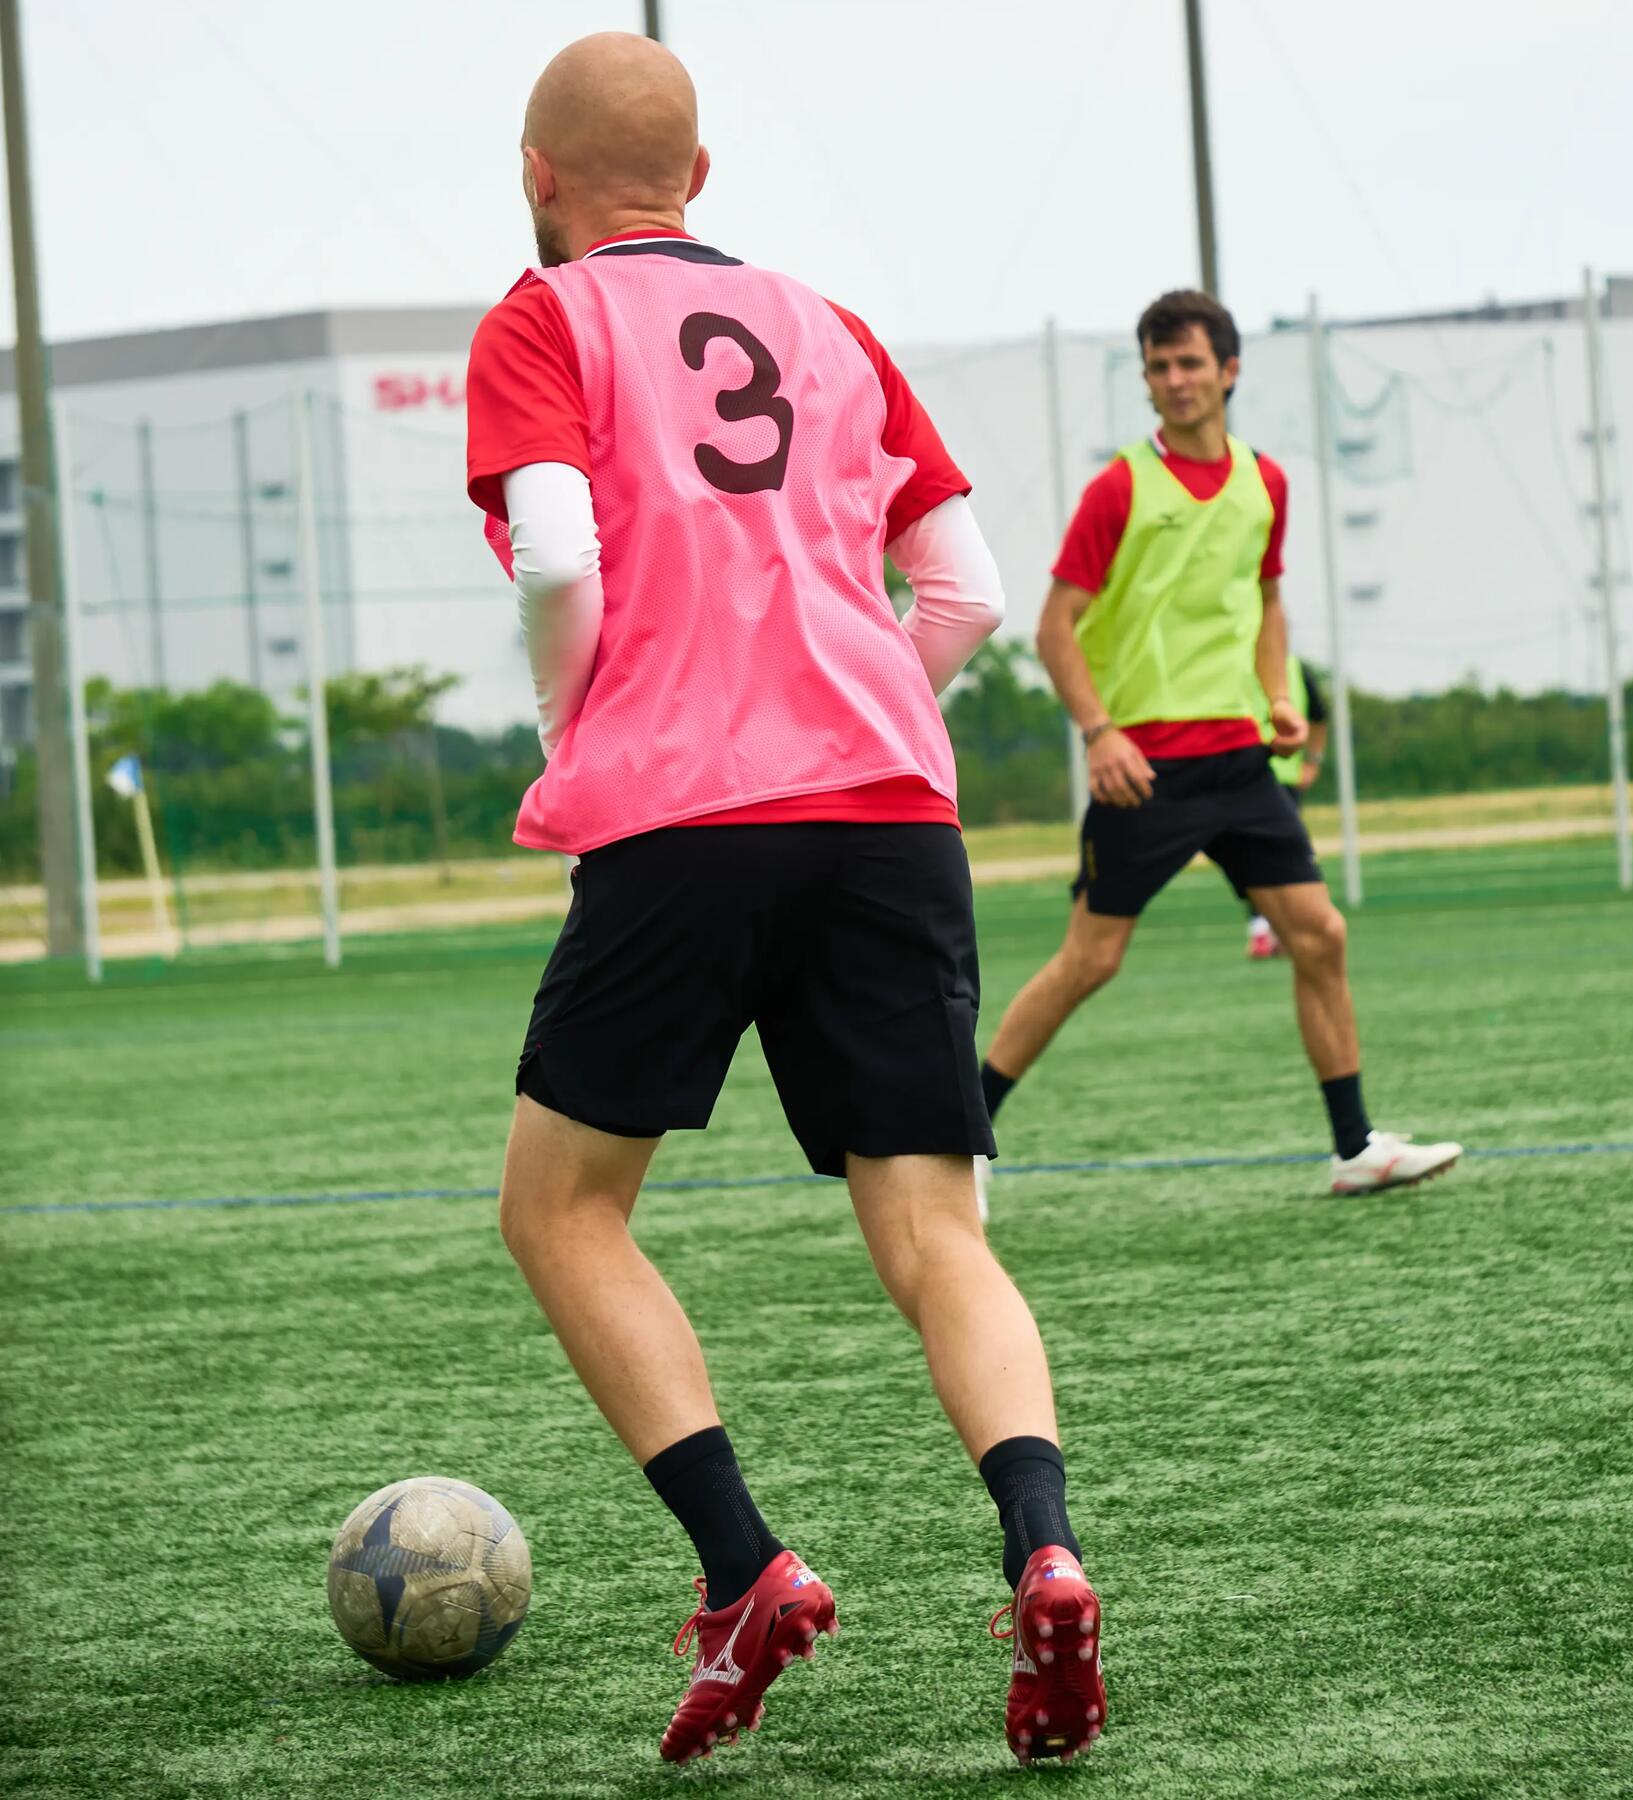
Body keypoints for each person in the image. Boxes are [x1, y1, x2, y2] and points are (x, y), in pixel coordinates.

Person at [465, 33, 1104, 1769]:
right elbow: (961, 591)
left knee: (563, 1210)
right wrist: (854, 694)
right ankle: (1044, 1547)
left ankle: (745, 1571)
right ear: (702, 177)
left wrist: (579, 720)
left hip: (682, 811)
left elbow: (553, 554)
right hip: (888, 809)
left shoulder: (545, 318)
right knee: (935, 1232)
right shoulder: (832, 325)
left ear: (539, 175)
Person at [977, 289, 1459, 1204]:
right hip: (1143, 769)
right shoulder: (1119, 486)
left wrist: (1281, 697)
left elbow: (1268, 602)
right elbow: (1054, 629)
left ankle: (1354, 1146)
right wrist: (1100, 733)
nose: (1175, 382)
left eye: (1191, 363)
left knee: (1319, 934)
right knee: (1091, 961)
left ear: (1230, 371)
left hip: (1241, 762)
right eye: (1158, 368)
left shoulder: (1265, 483)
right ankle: (958, 1131)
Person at [1241, 652, 1329, 960]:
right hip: (1244, 775)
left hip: (1284, 779)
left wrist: (1313, 762)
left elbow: (1319, 717)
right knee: (1248, 859)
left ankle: (1281, 930)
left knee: (1286, 860)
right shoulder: (1231, 659)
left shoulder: (1295, 667)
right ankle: (1262, 930)